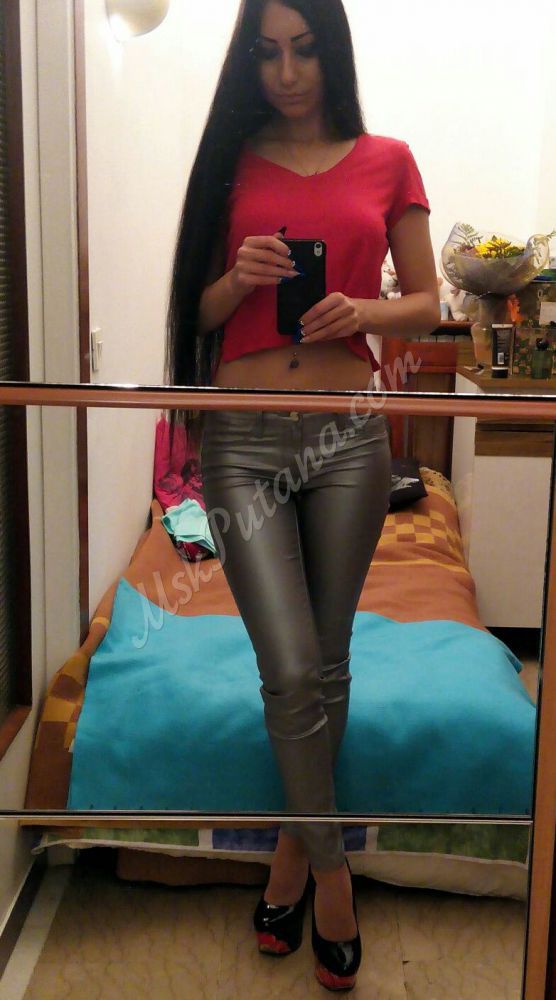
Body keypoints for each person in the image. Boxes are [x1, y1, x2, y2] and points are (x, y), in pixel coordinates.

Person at [165, 0, 440, 990]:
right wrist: (239, 280)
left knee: (326, 659)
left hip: (347, 436)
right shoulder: (228, 162)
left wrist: (358, 309)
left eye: (305, 51)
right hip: (242, 442)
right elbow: (194, 311)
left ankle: (290, 852)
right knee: (287, 667)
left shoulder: (388, 159)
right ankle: (332, 872)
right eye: (268, 53)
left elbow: (427, 304)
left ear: (333, 53)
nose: (286, 73)